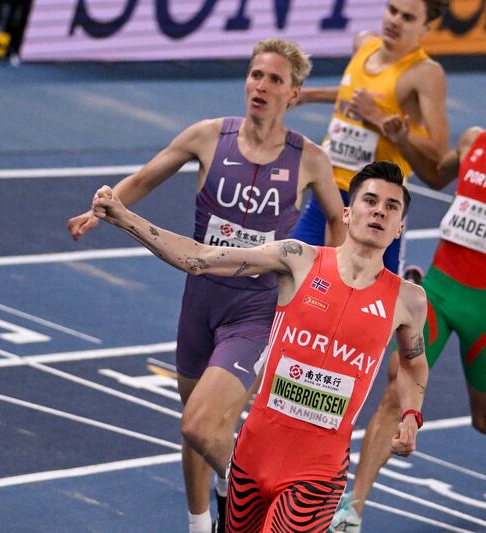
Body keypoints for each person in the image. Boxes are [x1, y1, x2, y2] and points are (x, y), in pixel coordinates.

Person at [67, 39, 346, 533]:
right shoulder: (207, 137)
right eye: (256, 74)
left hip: (256, 310)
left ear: (295, 94)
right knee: (195, 426)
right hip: (198, 302)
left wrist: (331, 283)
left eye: (275, 80)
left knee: (200, 423)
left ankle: (259, 498)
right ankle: (203, 523)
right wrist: (99, 210)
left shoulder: (311, 160)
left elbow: (336, 221)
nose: (261, 86)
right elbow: (147, 178)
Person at [91, 160, 429, 532]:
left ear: (399, 228)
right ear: (347, 213)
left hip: (318, 473)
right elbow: (201, 259)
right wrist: (126, 219)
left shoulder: (408, 300)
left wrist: (411, 416)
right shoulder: (298, 260)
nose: (379, 210)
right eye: (370, 200)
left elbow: (413, 363)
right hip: (252, 455)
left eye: (391, 206)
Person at [331, 74, 486, 531]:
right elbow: (433, 175)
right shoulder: (474, 142)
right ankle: (353, 508)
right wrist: (401, 137)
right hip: (438, 295)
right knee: (395, 391)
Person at [292, 0, 450, 274]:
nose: (395, 21)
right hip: (328, 191)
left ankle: (410, 283)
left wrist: (378, 118)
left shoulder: (425, 74)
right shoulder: (364, 44)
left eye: (408, 18)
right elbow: (352, 93)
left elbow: (438, 149)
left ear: (426, 26)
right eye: (392, 10)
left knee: (376, 300)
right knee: (292, 271)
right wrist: (308, 96)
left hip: (375, 205)